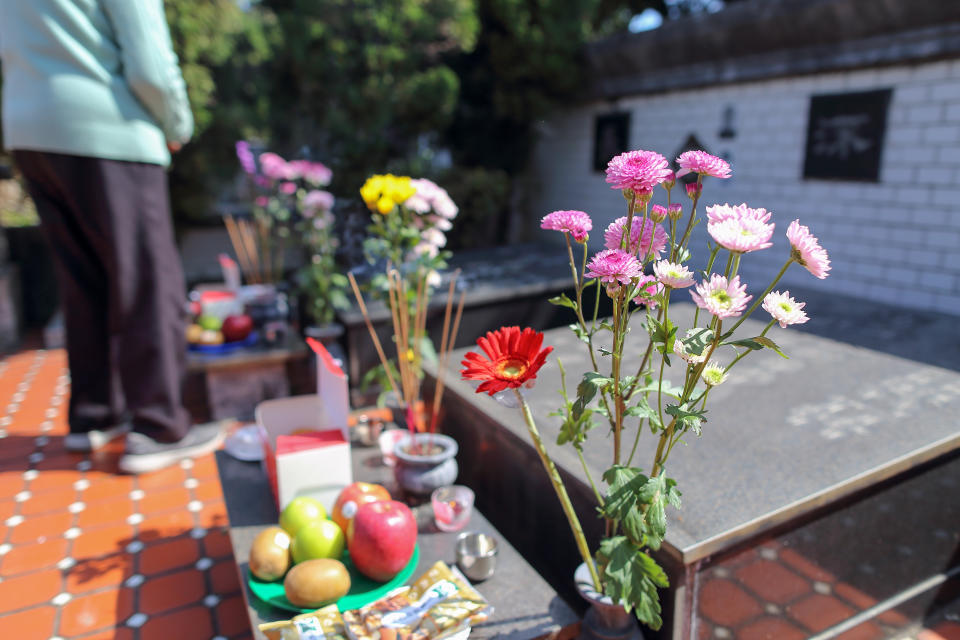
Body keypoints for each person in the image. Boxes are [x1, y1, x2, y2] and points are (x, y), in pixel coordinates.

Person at [0, 0, 223, 472]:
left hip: (29, 130)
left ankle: (94, 415)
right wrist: (176, 123)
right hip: (108, 126)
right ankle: (160, 426)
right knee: (148, 280)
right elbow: (150, 63)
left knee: (82, 280)